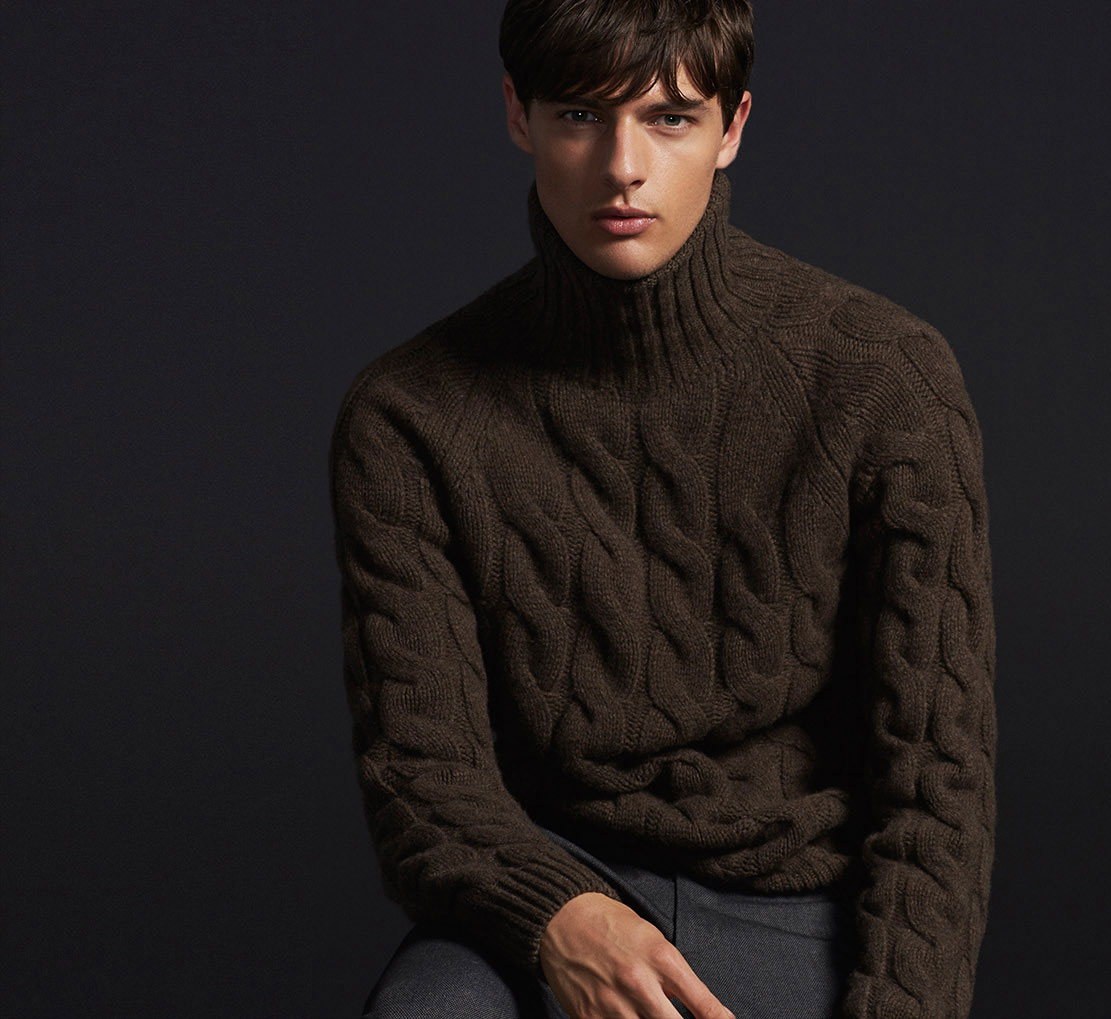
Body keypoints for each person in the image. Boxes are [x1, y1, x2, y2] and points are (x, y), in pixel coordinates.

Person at [325, 2, 997, 1017]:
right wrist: (559, 914)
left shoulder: (885, 379)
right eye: (580, 115)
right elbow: (423, 780)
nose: (623, 167)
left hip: (801, 906)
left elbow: (937, 787)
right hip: (545, 891)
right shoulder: (409, 417)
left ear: (732, 127)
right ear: (517, 114)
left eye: (670, 118)